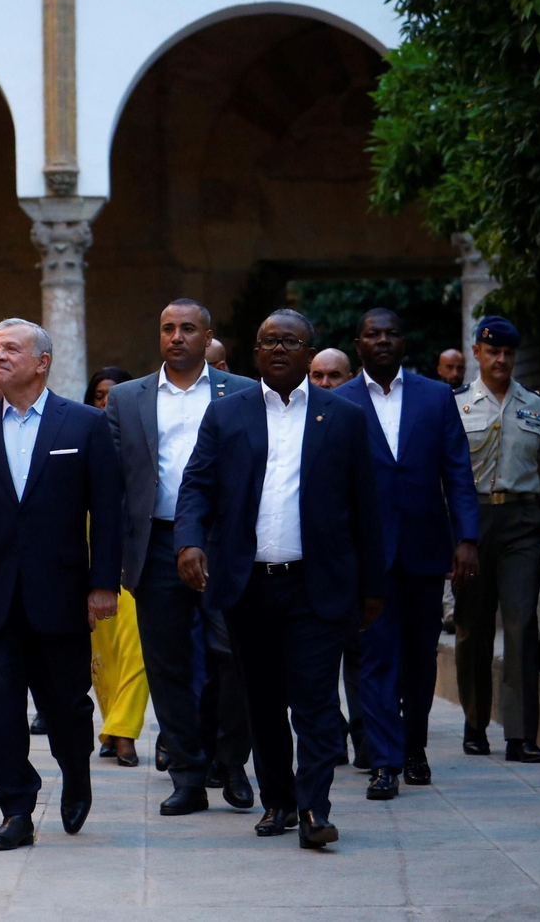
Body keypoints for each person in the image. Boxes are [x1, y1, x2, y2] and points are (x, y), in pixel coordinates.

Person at [175, 308, 384, 849]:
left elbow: (367, 508)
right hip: (248, 584)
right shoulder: (227, 416)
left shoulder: (343, 417)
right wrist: (190, 541)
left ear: (309, 351)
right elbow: (197, 485)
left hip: (316, 585)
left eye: (290, 342)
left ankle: (315, 808)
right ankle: (279, 801)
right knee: (262, 701)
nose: (278, 350)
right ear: (255, 351)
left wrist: (372, 586)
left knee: (314, 701)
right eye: (268, 341)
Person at [0, 318, 123, 851]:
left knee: (65, 705)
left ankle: (76, 772)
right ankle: (16, 808)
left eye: (11, 348)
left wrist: (103, 583)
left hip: (60, 594)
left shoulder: (84, 425)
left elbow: (107, 511)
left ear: (42, 362)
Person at [105, 300, 255, 810]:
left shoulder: (242, 393)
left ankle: (230, 762)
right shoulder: (128, 398)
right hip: (158, 543)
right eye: (167, 328)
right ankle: (187, 775)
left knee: (231, 657)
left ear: (207, 336)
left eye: (188, 329)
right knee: (166, 664)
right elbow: (114, 482)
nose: (176, 337)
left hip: (224, 542)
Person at [335, 309, 480, 798]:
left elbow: (458, 471)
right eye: (372, 334)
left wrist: (466, 540)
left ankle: (414, 746)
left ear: (404, 341)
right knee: (375, 657)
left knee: (420, 657)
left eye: (391, 333)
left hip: (423, 547)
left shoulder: (435, 396)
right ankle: (383, 762)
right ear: (358, 344)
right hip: (368, 555)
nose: (382, 341)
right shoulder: (339, 401)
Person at [454, 315, 540, 762]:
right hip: (473, 521)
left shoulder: (534, 406)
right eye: (493, 352)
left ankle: (521, 735)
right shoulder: (457, 405)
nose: (501, 359)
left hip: (524, 521)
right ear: (478, 353)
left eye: (508, 352)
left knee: (522, 623)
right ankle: (475, 723)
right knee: (473, 627)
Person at [76, 365, 148, 767]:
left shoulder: (142, 439)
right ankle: (111, 726)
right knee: (102, 650)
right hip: (90, 551)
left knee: (136, 649)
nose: (108, 403)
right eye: (101, 396)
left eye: (115, 395)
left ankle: (125, 733)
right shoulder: (82, 435)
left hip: (136, 552)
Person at [310, 347, 370, 767]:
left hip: (352, 564)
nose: (326, 384)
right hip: (313, 569)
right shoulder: (299, 424)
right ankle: (332, 741)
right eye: (316, 376)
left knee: (361, 661)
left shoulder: (355, 423)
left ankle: (368, 742)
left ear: (350, 378)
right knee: (319, 664)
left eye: (334, 376)